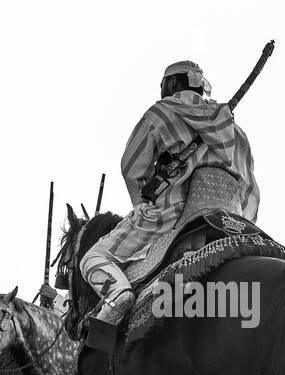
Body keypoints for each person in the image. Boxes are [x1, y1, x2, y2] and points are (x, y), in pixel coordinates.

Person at [80, 60, 259, 352]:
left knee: (92, 258)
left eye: (164, 85)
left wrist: (142, 205)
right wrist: (243, 223)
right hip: (234, 221)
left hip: (170, 216)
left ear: (173, 84)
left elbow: (132, 169)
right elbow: (251, 192)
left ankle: (119, 294)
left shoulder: (161, 112)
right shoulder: (237, 132)